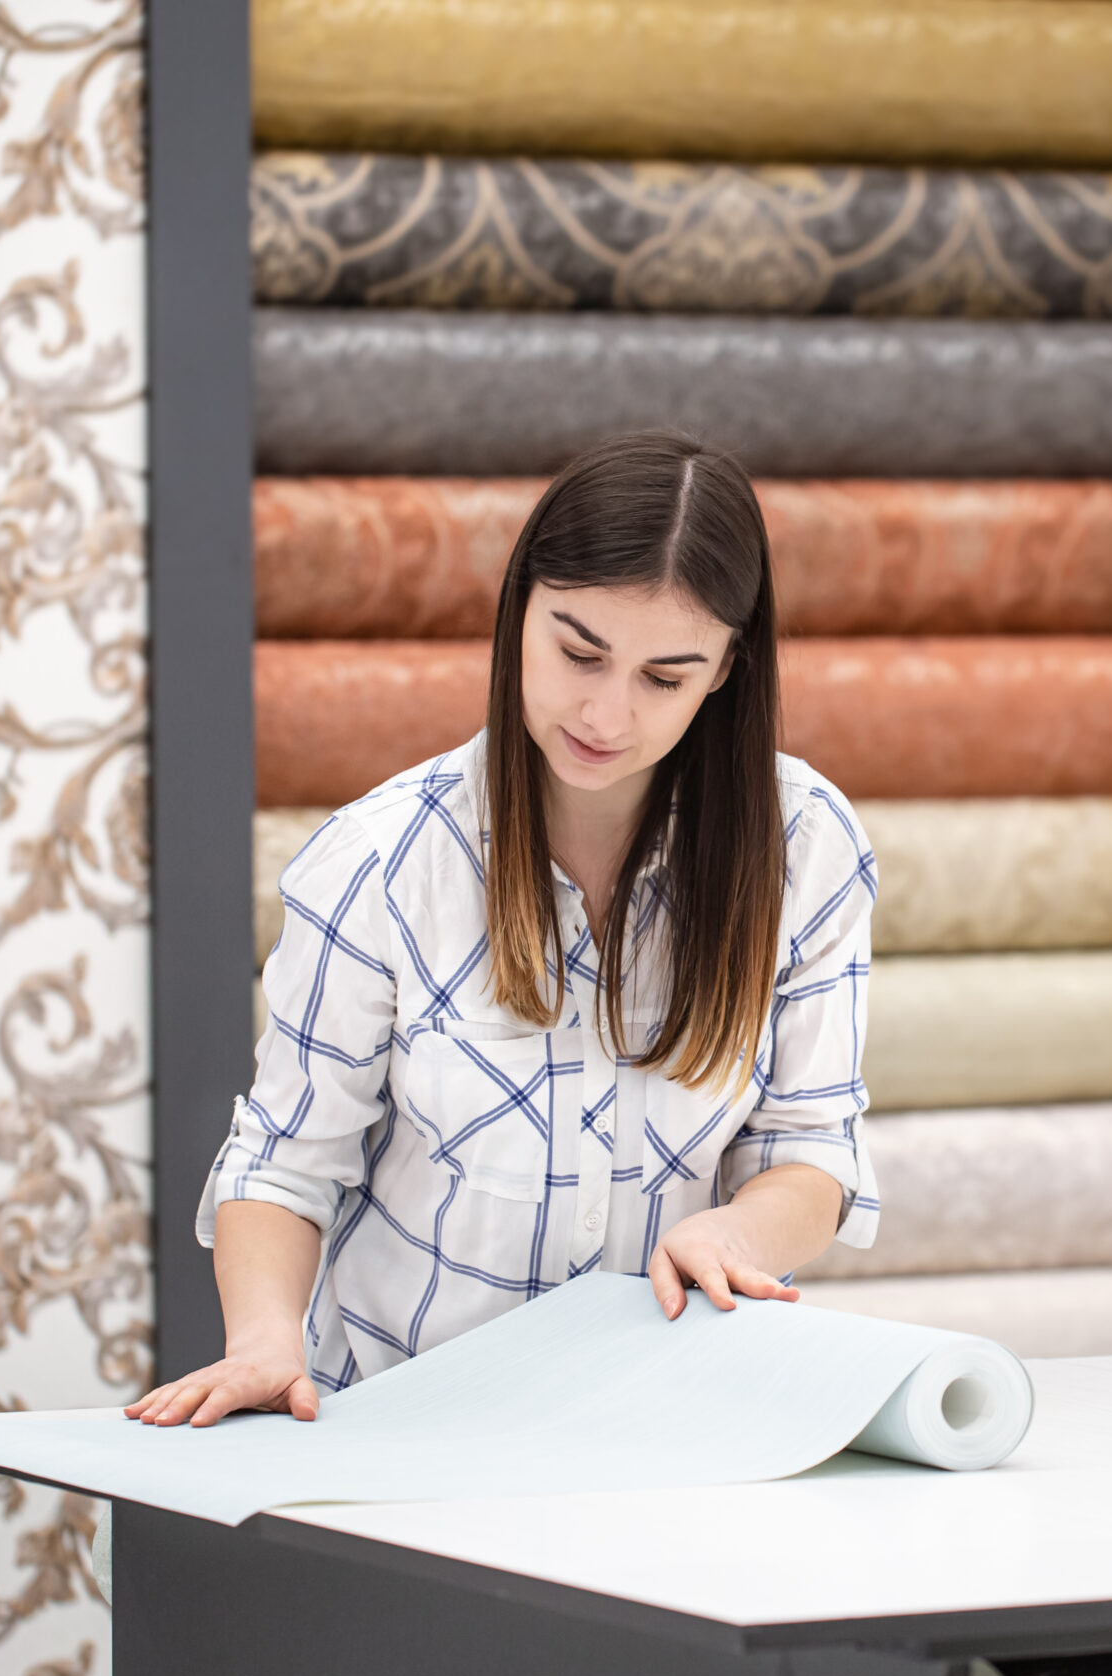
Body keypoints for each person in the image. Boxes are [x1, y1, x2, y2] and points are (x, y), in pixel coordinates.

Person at [129, 432, 878, 1428]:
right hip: (400, 1429)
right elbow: (285, 1159)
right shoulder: (379, 860)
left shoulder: (805, 845)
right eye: (578, 650)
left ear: (727, 670)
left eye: (666, 676)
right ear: (517, 607)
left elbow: (809, 1148)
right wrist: (267, 1340)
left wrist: (738, 1232)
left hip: (670, 1425)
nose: (605, 711)